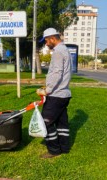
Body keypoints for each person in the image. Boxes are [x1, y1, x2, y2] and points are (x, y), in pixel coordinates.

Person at [36, 27, 72, 159]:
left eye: (46, 40)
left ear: (52, 38)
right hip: (64, 94)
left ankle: (54, 150)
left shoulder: (58, 52)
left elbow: (57, 73)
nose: (46, 43)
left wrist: (47, 90)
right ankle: (64, 147)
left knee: (46, 122)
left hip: (56, 95)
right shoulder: (64, 50)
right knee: (62, 123)